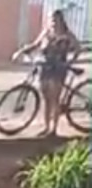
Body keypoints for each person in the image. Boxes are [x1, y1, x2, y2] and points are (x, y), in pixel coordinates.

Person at [13, 9, 81, 137]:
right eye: (51, 19)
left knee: (55, 99)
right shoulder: (46, 32)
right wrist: (21, 52)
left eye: (56, 19)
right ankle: (46, 127)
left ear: (61, 20)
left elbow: (78, 48)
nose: (53, 22)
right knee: (46, 100)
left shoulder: (67, 35)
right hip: (45, 68)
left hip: (58, 69)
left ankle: (54, 129)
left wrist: (70, 62)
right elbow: (35, 44)